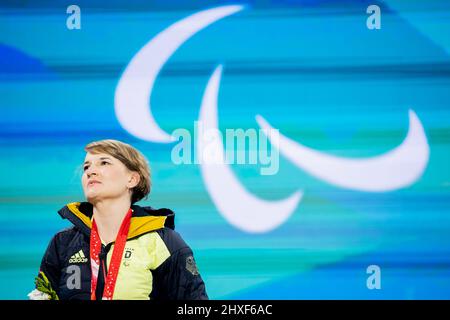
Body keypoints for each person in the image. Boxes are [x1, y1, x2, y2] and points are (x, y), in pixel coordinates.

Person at [28, 139, 208, 300]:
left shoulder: (163, 241)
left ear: (132, 179)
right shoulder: (62, 242)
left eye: (104, 163)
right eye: (86, 167)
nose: (91, 172)